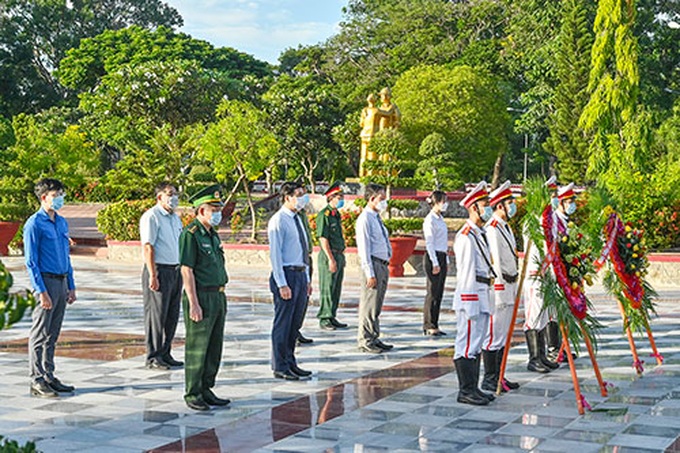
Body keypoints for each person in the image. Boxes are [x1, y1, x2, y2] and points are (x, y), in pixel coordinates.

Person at [179, 184, 230, 411]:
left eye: (218, 208)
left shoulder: (213, 235)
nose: (218, 213)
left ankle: (207, 388)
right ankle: (193, 392)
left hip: (218, 295)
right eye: (214, 209)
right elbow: (186, 270)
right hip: (201, 296)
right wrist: (194, 303)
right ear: (201, 211)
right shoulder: (191, 235)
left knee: (214, 346)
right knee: (198, 346)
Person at [24, 178, 77, 398]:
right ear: (44, 197)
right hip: (46, 282)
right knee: (40, 333)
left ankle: (49, 375)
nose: (60, 199)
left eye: (61, 194)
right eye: (56, 195)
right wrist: (41, 291)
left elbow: (66, 255)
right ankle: (36, 378)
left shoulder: (62, 222)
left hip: (61, 280)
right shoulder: (34, 224)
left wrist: (71, 285)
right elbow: (31, 261)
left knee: (53, 333)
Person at [452, 181, 495, 406]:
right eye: (484, 204)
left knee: (476, 342)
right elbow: (466, 272)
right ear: (473, 207)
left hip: (482, 292)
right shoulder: (466, 236)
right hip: (472, 296)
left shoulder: (480, 233)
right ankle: (465, 390)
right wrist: (470, 303)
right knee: (467, 342)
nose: (488, 208)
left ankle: (474, 387)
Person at [268, 181, 313, 380]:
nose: (303, 198)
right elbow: (275, 255)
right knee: (283, 323)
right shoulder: (278, 221)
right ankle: (279, 364)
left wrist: (308, 278)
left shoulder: (298, 219)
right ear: (287, 197)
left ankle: (290, 361)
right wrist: (281, 283)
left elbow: (304, 251)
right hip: (286, 274)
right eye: (299, 194)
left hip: (300, 274)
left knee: (295, 324)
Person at [139, 182, 184, 370]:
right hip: (159, 270)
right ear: (159, 197)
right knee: (156, 316)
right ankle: (153, 356)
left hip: (175, 270)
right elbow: (148, 246)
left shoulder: (175, 218)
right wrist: (153, 274)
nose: (174, 198)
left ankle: (166, 352)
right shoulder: (152, 217)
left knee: (171, 315)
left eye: (175, 194)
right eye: (170, 194)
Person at [482, 181, 520, 393]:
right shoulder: (493, 229)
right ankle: (490, 378)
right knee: (494, 333)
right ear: (499, 206)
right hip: (500, 287)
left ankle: (500, 375)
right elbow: (495, 261)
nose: (512, 206)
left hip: (510, 285)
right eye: (509, 202)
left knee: (504, 333)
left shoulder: (505, 227)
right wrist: (499, 287)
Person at [523, 176, 559, 373]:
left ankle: (543, 355)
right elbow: (536, 250)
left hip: (547, 275)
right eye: (551, 196)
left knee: (545, 315)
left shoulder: (550, 221)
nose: (554, 199)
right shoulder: (534, 221)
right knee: (534, 316)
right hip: (536, 275)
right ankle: (534, 357)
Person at [355, 183, 393, 353]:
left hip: (383, 264)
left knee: (376, 304)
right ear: (372, 199)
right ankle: (365, 339)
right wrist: (370, 273)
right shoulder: (364, 219)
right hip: (373, 264)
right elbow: (364, 249)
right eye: (381, 198)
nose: (384, 202)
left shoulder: (376, 217)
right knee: (369, 304)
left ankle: (374, 336)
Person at [316, 182, 348, 331]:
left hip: (338, 254)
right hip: (329, 255)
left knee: (336, 288)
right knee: (327, 287)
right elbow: (323, 238)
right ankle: (324, 317)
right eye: (339, 197)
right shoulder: (324, 215)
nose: (342, 199)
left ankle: (332, 315)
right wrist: (330, 259)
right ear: (331, 198)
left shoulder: (336, 214)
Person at [422, 190, 449, 336]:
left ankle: (435, 323)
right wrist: (434, 262)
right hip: (434, 256)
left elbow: (443, 241)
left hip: (442, 255)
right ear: (436, 202)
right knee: (432, 292)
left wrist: (446, 260)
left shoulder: (440, 219)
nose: (445, 204)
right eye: (443, 201)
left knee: (439, 292)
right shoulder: (430, 220)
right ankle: (428, 324)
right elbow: (430, 243)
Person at [294, 183, 314, 345]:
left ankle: (296, 329)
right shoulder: (284, 218)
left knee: (303, 299)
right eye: (300, 195)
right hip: (294, 265)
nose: (304, 198)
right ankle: (291, 332)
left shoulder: (302, 215)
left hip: (306, 260)